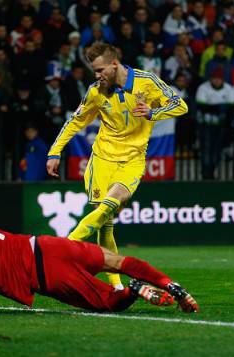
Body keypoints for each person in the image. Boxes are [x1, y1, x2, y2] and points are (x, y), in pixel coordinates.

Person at [46, 43, 188, 290]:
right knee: (106, 222)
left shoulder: (147, 81)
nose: (97, 75)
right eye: (94, 71)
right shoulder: (95, 92)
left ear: (114, 64)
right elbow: (74, 122)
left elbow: (181, 105)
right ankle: (117, 285)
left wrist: (154, 113)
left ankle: (63, 249)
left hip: (132, 160)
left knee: (108, 207)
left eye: (100, 69)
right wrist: (55, 151)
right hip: (102, 159)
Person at [0, 211, 199, 317]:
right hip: (48, 245)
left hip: (46, 274)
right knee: (117, 261)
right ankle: (171, 285)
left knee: (109, 303)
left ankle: (132, 291)